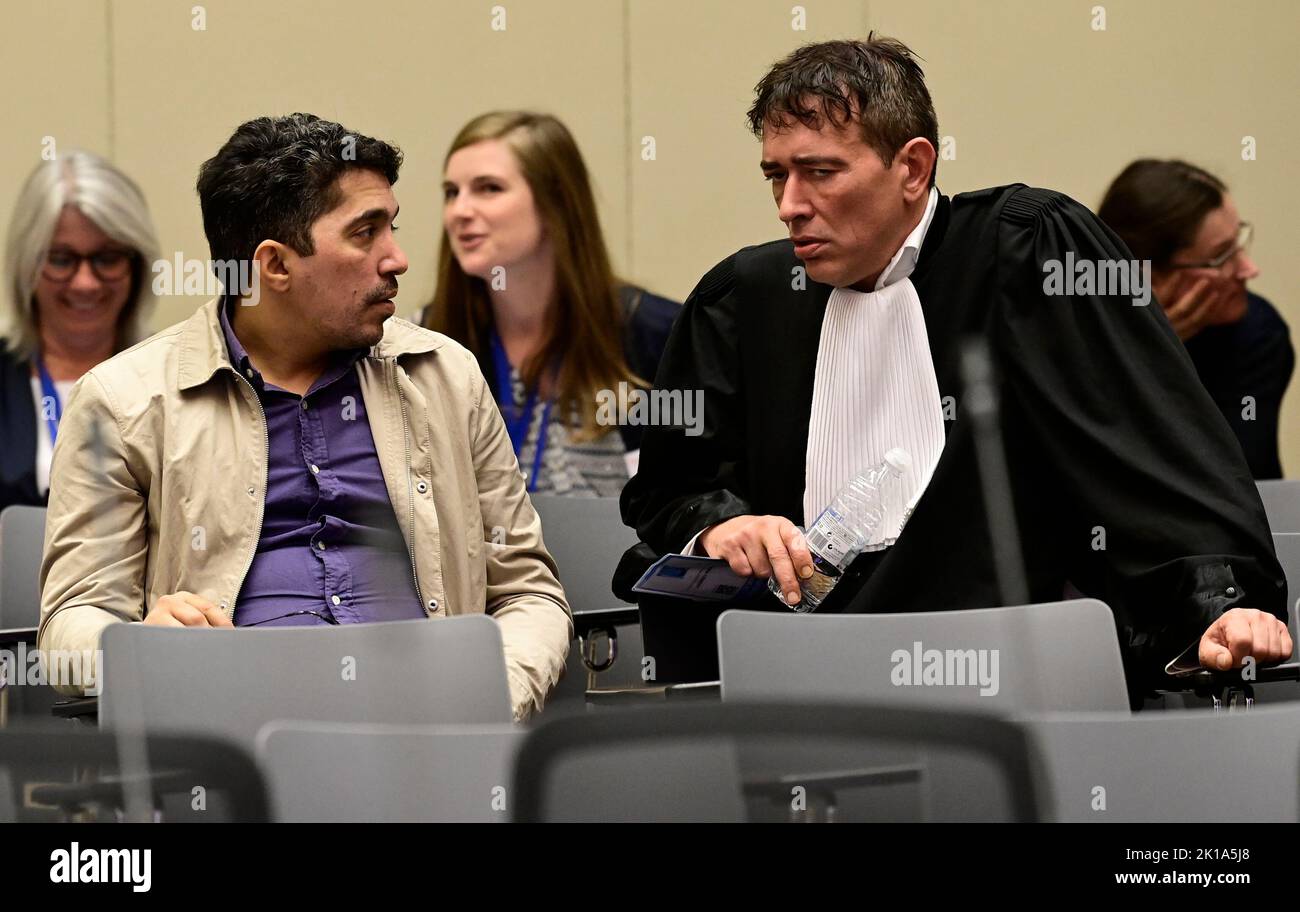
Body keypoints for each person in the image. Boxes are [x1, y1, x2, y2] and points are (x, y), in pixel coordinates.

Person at [618, 36, 1290, 698]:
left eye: (820, 172)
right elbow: (669, 489)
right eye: (776, 175)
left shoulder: (1027, 254)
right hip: (800, 689)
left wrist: (1218, 603)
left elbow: (1156, 455)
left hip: (1013, 683)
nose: (791, 203)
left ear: (912, 168)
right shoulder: (740, 301)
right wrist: (721, 526)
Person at [38, 114, 572, 721]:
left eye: (392, 228)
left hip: (433, 731)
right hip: (233, 744)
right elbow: (68, 630)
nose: (397, 259)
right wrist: (137, 650)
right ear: (275, 267)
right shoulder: (123, 401)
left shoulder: (444, 375)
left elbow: (528, 592)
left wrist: (493, 697)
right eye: (365, 233)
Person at [420, 111, 679, 496]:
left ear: (555, 202)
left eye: (488, 188)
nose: (459, 211)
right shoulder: (428, 341)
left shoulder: (657, 333)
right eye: (451, 192)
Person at [1099, 159, 1292, 479]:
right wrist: (1147, 354)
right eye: (1222, 256)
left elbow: (1237, 481)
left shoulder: (1257, 333)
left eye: (1239, 241)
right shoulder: (1071, 340)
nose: (1249, 269)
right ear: (1146, 278)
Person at [0, 151, 159, 513]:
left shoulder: (175, 377)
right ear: (28, 265)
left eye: (107, 259)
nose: (85, 283)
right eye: (61, 259)